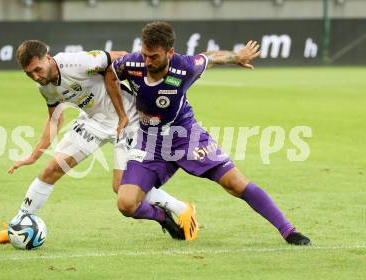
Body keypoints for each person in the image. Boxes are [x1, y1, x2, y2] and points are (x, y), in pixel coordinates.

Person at [105, 21, 311, 245]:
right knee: (126, 204)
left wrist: (236, 57)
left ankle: (288, 231)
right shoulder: (131, 63)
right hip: (150, 143)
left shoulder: (185, 67)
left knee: (235, 184)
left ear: (170, 53)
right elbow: (110, 73)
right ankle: (164, 217)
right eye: (145, 54)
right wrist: (122, 114)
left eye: (153, 56)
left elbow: (211, 57)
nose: (147, 61)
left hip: (186, 137)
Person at [0, 40, 197, 244]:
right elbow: (54, 119)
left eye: (37, 69)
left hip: (128, 120)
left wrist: (150, 80)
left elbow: (123, 57)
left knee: (121, 187)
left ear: (47, 58)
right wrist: (33, 156)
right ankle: (18, 224)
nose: (35, 76)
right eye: (29, 74)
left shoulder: (77, 62)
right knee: (51, 169)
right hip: (93, 121)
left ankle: (182, 209)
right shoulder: (45, 87)